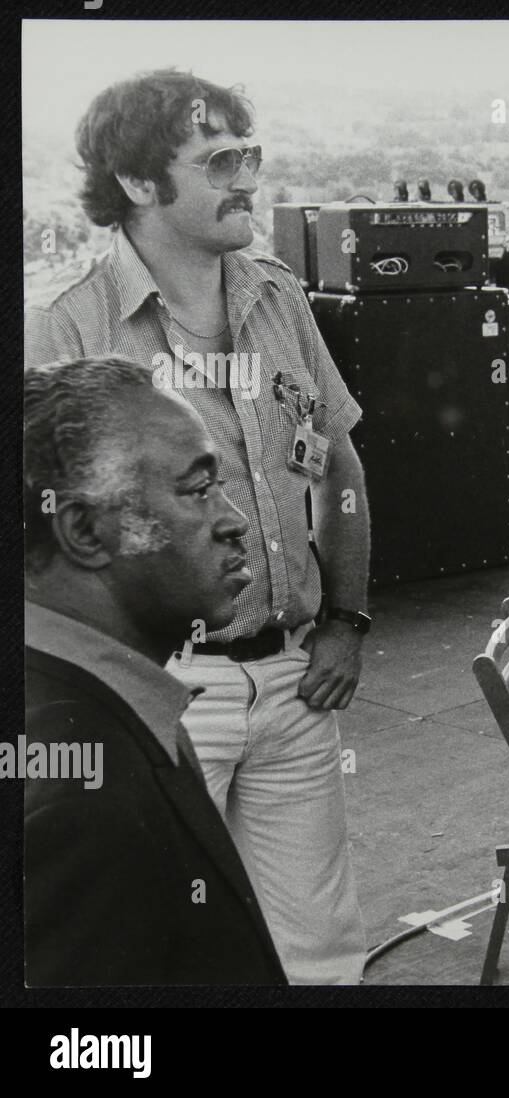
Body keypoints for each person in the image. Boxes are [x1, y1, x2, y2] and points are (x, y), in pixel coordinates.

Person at [25, 70, 371, 985]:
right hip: (159, 692)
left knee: (323, 954)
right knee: (165, 959)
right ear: (138, 184)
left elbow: (337, 465)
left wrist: (347, 620)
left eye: (250, 155)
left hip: (298, 681)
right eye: (220, 160)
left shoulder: (279, 299)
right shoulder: (67, 326)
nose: (247, 178)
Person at [24, 356, 286, 986]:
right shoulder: (80, 804)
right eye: (198, 490)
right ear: (86, 530)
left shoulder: (92, 709)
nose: (234, 519)